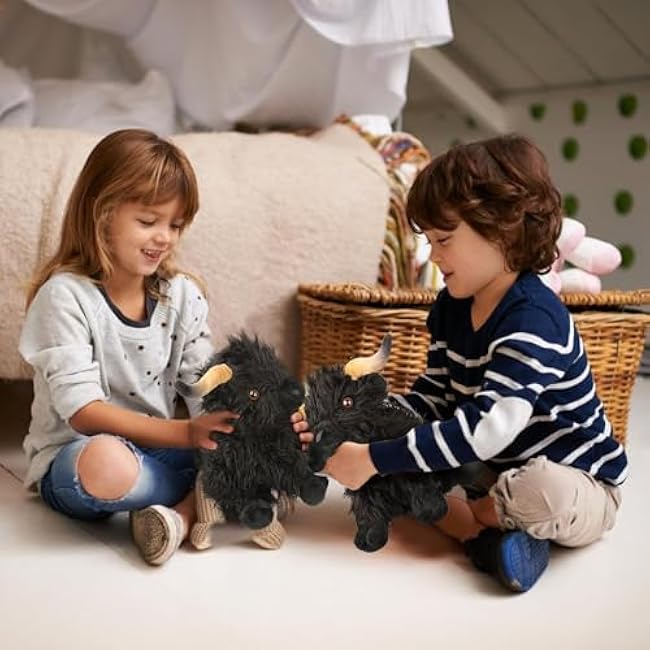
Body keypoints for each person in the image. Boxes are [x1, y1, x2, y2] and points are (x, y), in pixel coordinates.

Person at [293, 134, 627, 593]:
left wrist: (372, 458)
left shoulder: (534, 319)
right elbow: (432, 399)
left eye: (444, 239)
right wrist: (350, 424)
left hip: (578, 483)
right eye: (429, 240)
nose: (434, 255)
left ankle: (475, 520)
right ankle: (486, 540)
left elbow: (489, 428)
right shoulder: (451, 307)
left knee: (540, 490)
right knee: (398, 455)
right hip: (492, 468)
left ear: (503, 230)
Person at [19, 129, 239, 566]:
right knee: (108, 462)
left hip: (161, 451)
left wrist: (241, 423)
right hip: (78, 455)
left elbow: (205, 386)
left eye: (175, 225)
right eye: (149, 221)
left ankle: (177, 517)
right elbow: (84, 412)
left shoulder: (182, 295)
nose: (165, 238)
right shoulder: (64, 297)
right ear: (101, 214)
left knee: (262, 446)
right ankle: (205, 498)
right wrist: (188, 434)